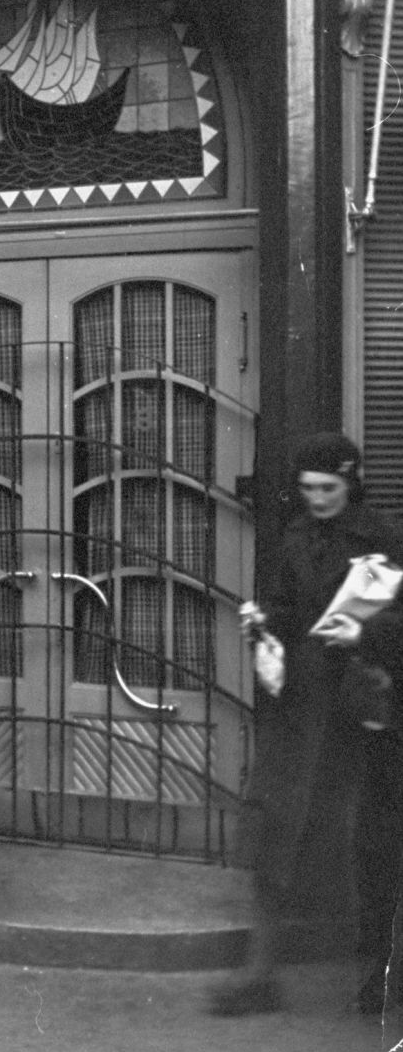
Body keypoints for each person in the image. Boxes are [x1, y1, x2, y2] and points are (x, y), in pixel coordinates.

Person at [210, 432, 403, 1016]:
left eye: (328, 488)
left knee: (374, 842)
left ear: (352, 482)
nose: (316, 499)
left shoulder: (383, 538)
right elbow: (290, 606)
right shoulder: (294, 536)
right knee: (273, 827)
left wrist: (366, 633)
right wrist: (262, 620)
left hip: (365, 706)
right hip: (301, 701)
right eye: (307, 489)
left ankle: (381, 973)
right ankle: (261, 974)